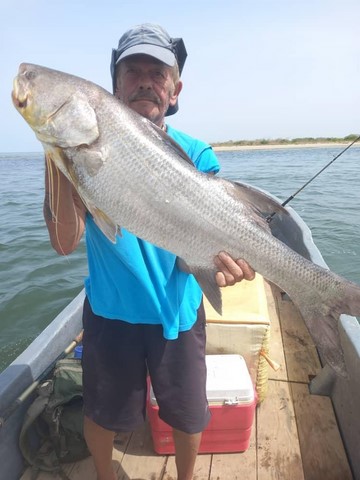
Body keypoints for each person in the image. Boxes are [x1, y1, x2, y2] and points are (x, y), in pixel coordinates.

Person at [44, 23, 255, 480]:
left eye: (157, 73)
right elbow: (64, 242)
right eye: (132, 70)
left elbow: (214, 229)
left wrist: (222, 264)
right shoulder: (82, 149)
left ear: (175, 88)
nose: (145, 80)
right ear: (115, 84)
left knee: (186, 413)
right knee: (101, 413)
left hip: (176, 314)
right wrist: (56, 155)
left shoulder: (197, 153)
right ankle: (105, 474)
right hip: (111, 311)